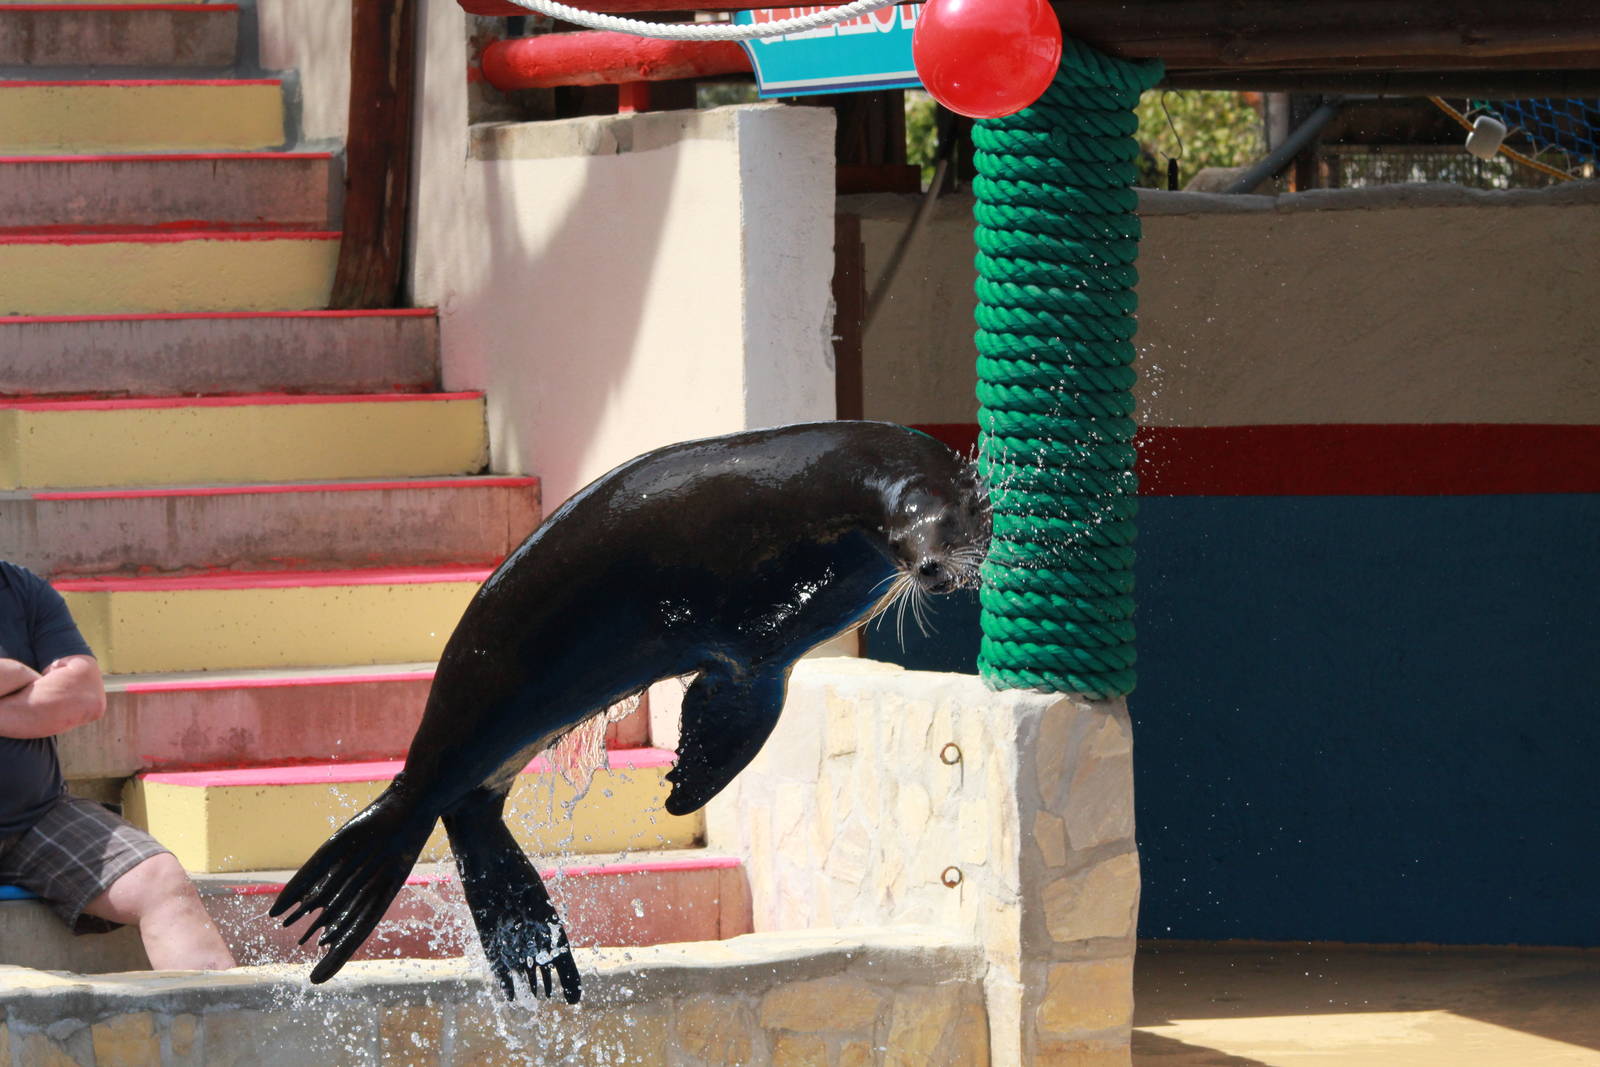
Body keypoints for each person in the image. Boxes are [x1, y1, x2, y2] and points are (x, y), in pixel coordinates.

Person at [0, 560, 235, 971]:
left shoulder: (22, 590)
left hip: (35, 819)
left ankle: (226, 1030)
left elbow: (83, 697)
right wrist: (22, 677)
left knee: (160, 881)